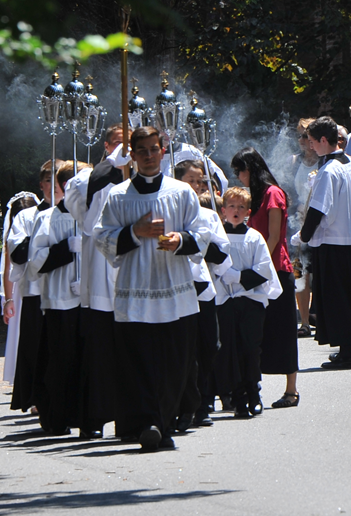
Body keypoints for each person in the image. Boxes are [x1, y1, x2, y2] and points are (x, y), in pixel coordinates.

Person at [94, 126, 214, 451]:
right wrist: (135, 232)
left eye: (153, 149)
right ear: (131, 155)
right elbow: (102, 239)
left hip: (174, 290)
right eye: (141, 151)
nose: (148, 156)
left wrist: (180, 240)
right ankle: (151, 423)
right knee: (139, 363)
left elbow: (203, 232)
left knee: (176, 363)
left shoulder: (182, 192)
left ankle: (165, 420)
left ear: (163, 151)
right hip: (135, 293)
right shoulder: (118, 196)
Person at [297, 117, 351, 370]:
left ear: (323, 140)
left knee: (337, 298)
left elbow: (319, 208)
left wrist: (303, 236)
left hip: (333, 241)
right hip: (350, 239)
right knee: (350, 294)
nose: (311, 147)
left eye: (312, 142)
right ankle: (349, 348)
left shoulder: (329, 170)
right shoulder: (349, 162)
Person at [62, 125, 128, 434]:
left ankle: (131, 417)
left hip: (133, 280)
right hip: (101, 279)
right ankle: (95, 417)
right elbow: (90, 223)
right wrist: (112, 168)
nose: (125, 151)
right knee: (99, 354)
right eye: (119, 144)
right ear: (106, 146)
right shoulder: (84, 180)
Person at [231, 147, 300, 408]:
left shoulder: (273, 193)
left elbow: (273, 236)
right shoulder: (256, 195)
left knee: (282, 330)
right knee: (254, 332)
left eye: (240, 171)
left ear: (250, 169)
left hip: (276, 271)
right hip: (259, 271)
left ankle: (291, 390)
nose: (239, 177)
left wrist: (260, 264)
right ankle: (252, 384)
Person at [26, 159, 91, 435]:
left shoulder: (93, 216)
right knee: (61, 360)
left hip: (89, 299)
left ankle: (89, 418)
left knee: (88, 360)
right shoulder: (47, 217)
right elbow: (34, 264)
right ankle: (57, 416)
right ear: (69, 186)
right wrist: (66, 249)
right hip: (60, 300)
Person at [214, 186, 281, 418]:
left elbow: (264, 269)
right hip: (224, 301)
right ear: (223, 210)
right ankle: (238, 397)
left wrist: (240, 277)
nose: (236, 210)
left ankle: (254, 393)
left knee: (251, 348)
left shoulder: (254, 237)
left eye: (241, 207)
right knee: (230, 349)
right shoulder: (218, 238)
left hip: (250, 300)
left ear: (248, 212)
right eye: (231, 206)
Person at [172, 161, 227, 428]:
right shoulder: (170, 210)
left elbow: (221, 253)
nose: (196, 186)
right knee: (183, 351)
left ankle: (204, 402)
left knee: (208, 347)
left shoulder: (209, 215)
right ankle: (182, 406)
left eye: (199, 181)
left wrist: (203, 243)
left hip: (203, 289)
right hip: (176, 287)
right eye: (191, 180)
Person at [6, 159, 63, 414]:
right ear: (41, 185)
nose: (55, 187)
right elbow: (17, 253)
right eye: (50, 181)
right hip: (36, 292)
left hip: (66, 292)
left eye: (60, 181)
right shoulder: (27, 216)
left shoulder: (76, 214)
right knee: (36, 349)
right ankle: (38, 398)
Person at [0, 191, 38, 387]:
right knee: (24, 336)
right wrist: (8, 299)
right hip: (21, 291)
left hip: (40, 286)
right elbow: (7, 270)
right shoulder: (12, 238)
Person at [289, 118, 319, 337]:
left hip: (321, 223)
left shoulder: (325, 160)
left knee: (321, 273)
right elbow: (289, 191)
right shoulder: (294, 161)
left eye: (305, 135)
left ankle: (323, 319)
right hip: (299, 223)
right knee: (300, 272)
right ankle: (305, 322)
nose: (301, 140)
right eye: (299, 135)